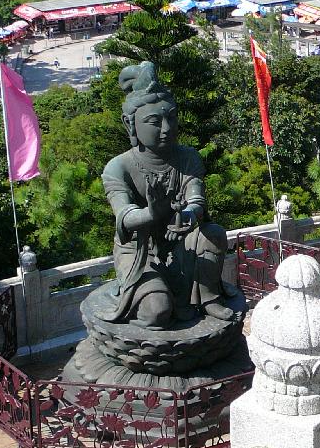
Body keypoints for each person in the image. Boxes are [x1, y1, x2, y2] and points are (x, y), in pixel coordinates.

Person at [98, 62, 237, 330]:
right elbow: (124, 216)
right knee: (157, 313)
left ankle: (208, 298)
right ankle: (146, 299)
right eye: (154, 121)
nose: (166, 128)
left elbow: (196, 198)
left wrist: (187, 216)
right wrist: (152, 213)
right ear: (131, 125)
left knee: (214, 232)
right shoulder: (119, 167)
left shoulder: (187, 157)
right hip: (140, 250)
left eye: (171, 118)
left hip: (181, 241)